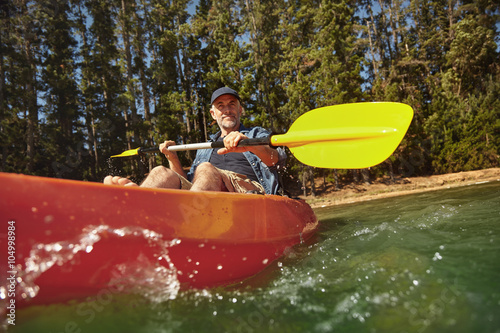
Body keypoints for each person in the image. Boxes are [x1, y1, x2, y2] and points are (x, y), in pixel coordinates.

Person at [104, 87, 286, 195]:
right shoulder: (205, 148)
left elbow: (274, 160)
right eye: (220, 106)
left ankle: (188, 217)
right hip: (205, 193)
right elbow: (189, 183)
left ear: (240, 110)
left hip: (248, 190)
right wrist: (173, 158)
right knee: (161, 171)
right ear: (213, 114)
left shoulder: (256, 134)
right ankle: (138, 206)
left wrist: (250, 144)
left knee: (205, 169)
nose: (227, 110)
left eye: (232, 104)